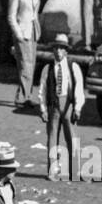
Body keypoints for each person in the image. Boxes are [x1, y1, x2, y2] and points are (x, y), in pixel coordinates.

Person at [39, 34, 85, 182]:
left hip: (68, 104)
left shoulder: (73, 66)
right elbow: (43, 89)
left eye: (61, 48)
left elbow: (79, 88)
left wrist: (77, 107)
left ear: (66, 51)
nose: (58, 51)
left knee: (72, 138)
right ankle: (52, 171)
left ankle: (75, 171)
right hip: (53, 105)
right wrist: (43, 109)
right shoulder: (48, 68)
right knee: (52, 138)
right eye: (56, 48)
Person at [7, 0, 41, 111]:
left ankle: (26, 96)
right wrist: (18, 34)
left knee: (31, 65)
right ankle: (21, 98)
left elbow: (35, 13)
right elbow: (11, 16)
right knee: (25, 65)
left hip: (33, 31)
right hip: (22, 31)